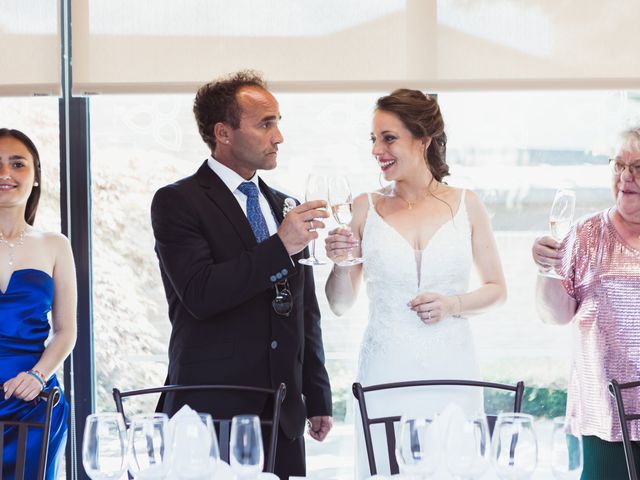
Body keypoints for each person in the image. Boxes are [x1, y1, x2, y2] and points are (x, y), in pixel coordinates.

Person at [150, 70, 332, 479]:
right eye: (266, 123)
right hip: (210, 413)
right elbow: (200, 294)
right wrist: (280, 246)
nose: (279, 136)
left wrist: (317, 395)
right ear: (223, 133)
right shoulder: (177, 202)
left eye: (278, 122)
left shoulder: (286, 204)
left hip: (284, 414)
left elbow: (305, 310)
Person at [324, 89, 507, 477]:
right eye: (373, 139)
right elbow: (339, 304)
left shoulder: (466, 203)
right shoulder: (364, 207)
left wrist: (453, 305)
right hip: (386, 369)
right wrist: (340, 265)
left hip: (452, 368)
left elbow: (496, 289)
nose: (377, 149)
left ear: (423, 138)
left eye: (388, 138)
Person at [532, 127, 640, 480]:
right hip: (603, 418)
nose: (626, 176)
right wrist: (547, 268)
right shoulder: (585, 234)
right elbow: (555, 315)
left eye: (638, 166)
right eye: (619, 165)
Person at [0, 128, 77, 480]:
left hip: (34, 401)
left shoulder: (55, 244)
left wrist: (37, 375)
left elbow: (66, 331)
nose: (6, 174)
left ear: (34, 177)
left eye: (18, 164)